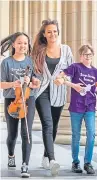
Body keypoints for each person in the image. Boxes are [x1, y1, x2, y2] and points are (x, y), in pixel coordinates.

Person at [31, 18, 81, 176]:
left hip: (59, 92)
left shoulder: (66, 50)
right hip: (42, 91)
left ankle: (46, 156)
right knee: (47, 123)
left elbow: (73, 72)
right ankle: (52, 159)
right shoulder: (39, 50)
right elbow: (33, 70)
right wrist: (34, 80)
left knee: (54, 126)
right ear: (44, 34)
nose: (52, 34)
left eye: (55, 31)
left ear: (58, 33)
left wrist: (64, 79)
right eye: (49, 32)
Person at [0, 32, 40, 178]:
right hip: (12, 100)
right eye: (19, 43)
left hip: (28, 99)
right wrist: (13, 83)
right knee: (12, 135)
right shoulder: (6, 63)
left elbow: (36, 81)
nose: (23, 45)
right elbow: (1, 84)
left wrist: (33, 83)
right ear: (13, 45)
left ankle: (25, 165)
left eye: (25, 43)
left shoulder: (30, 62)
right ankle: (11, 155)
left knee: (26, 132)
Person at [54, 44, 97, 175]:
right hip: (76, 107)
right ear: (81, 56)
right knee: (76, 135)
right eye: (85, 55)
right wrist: (73, 85)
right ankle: (75, 162)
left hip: (90, 106)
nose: (88, 57)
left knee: (91, 134)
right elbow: (60, 78)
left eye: (90, 54)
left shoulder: (95, 71)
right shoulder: (75, 67)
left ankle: (88, 163)